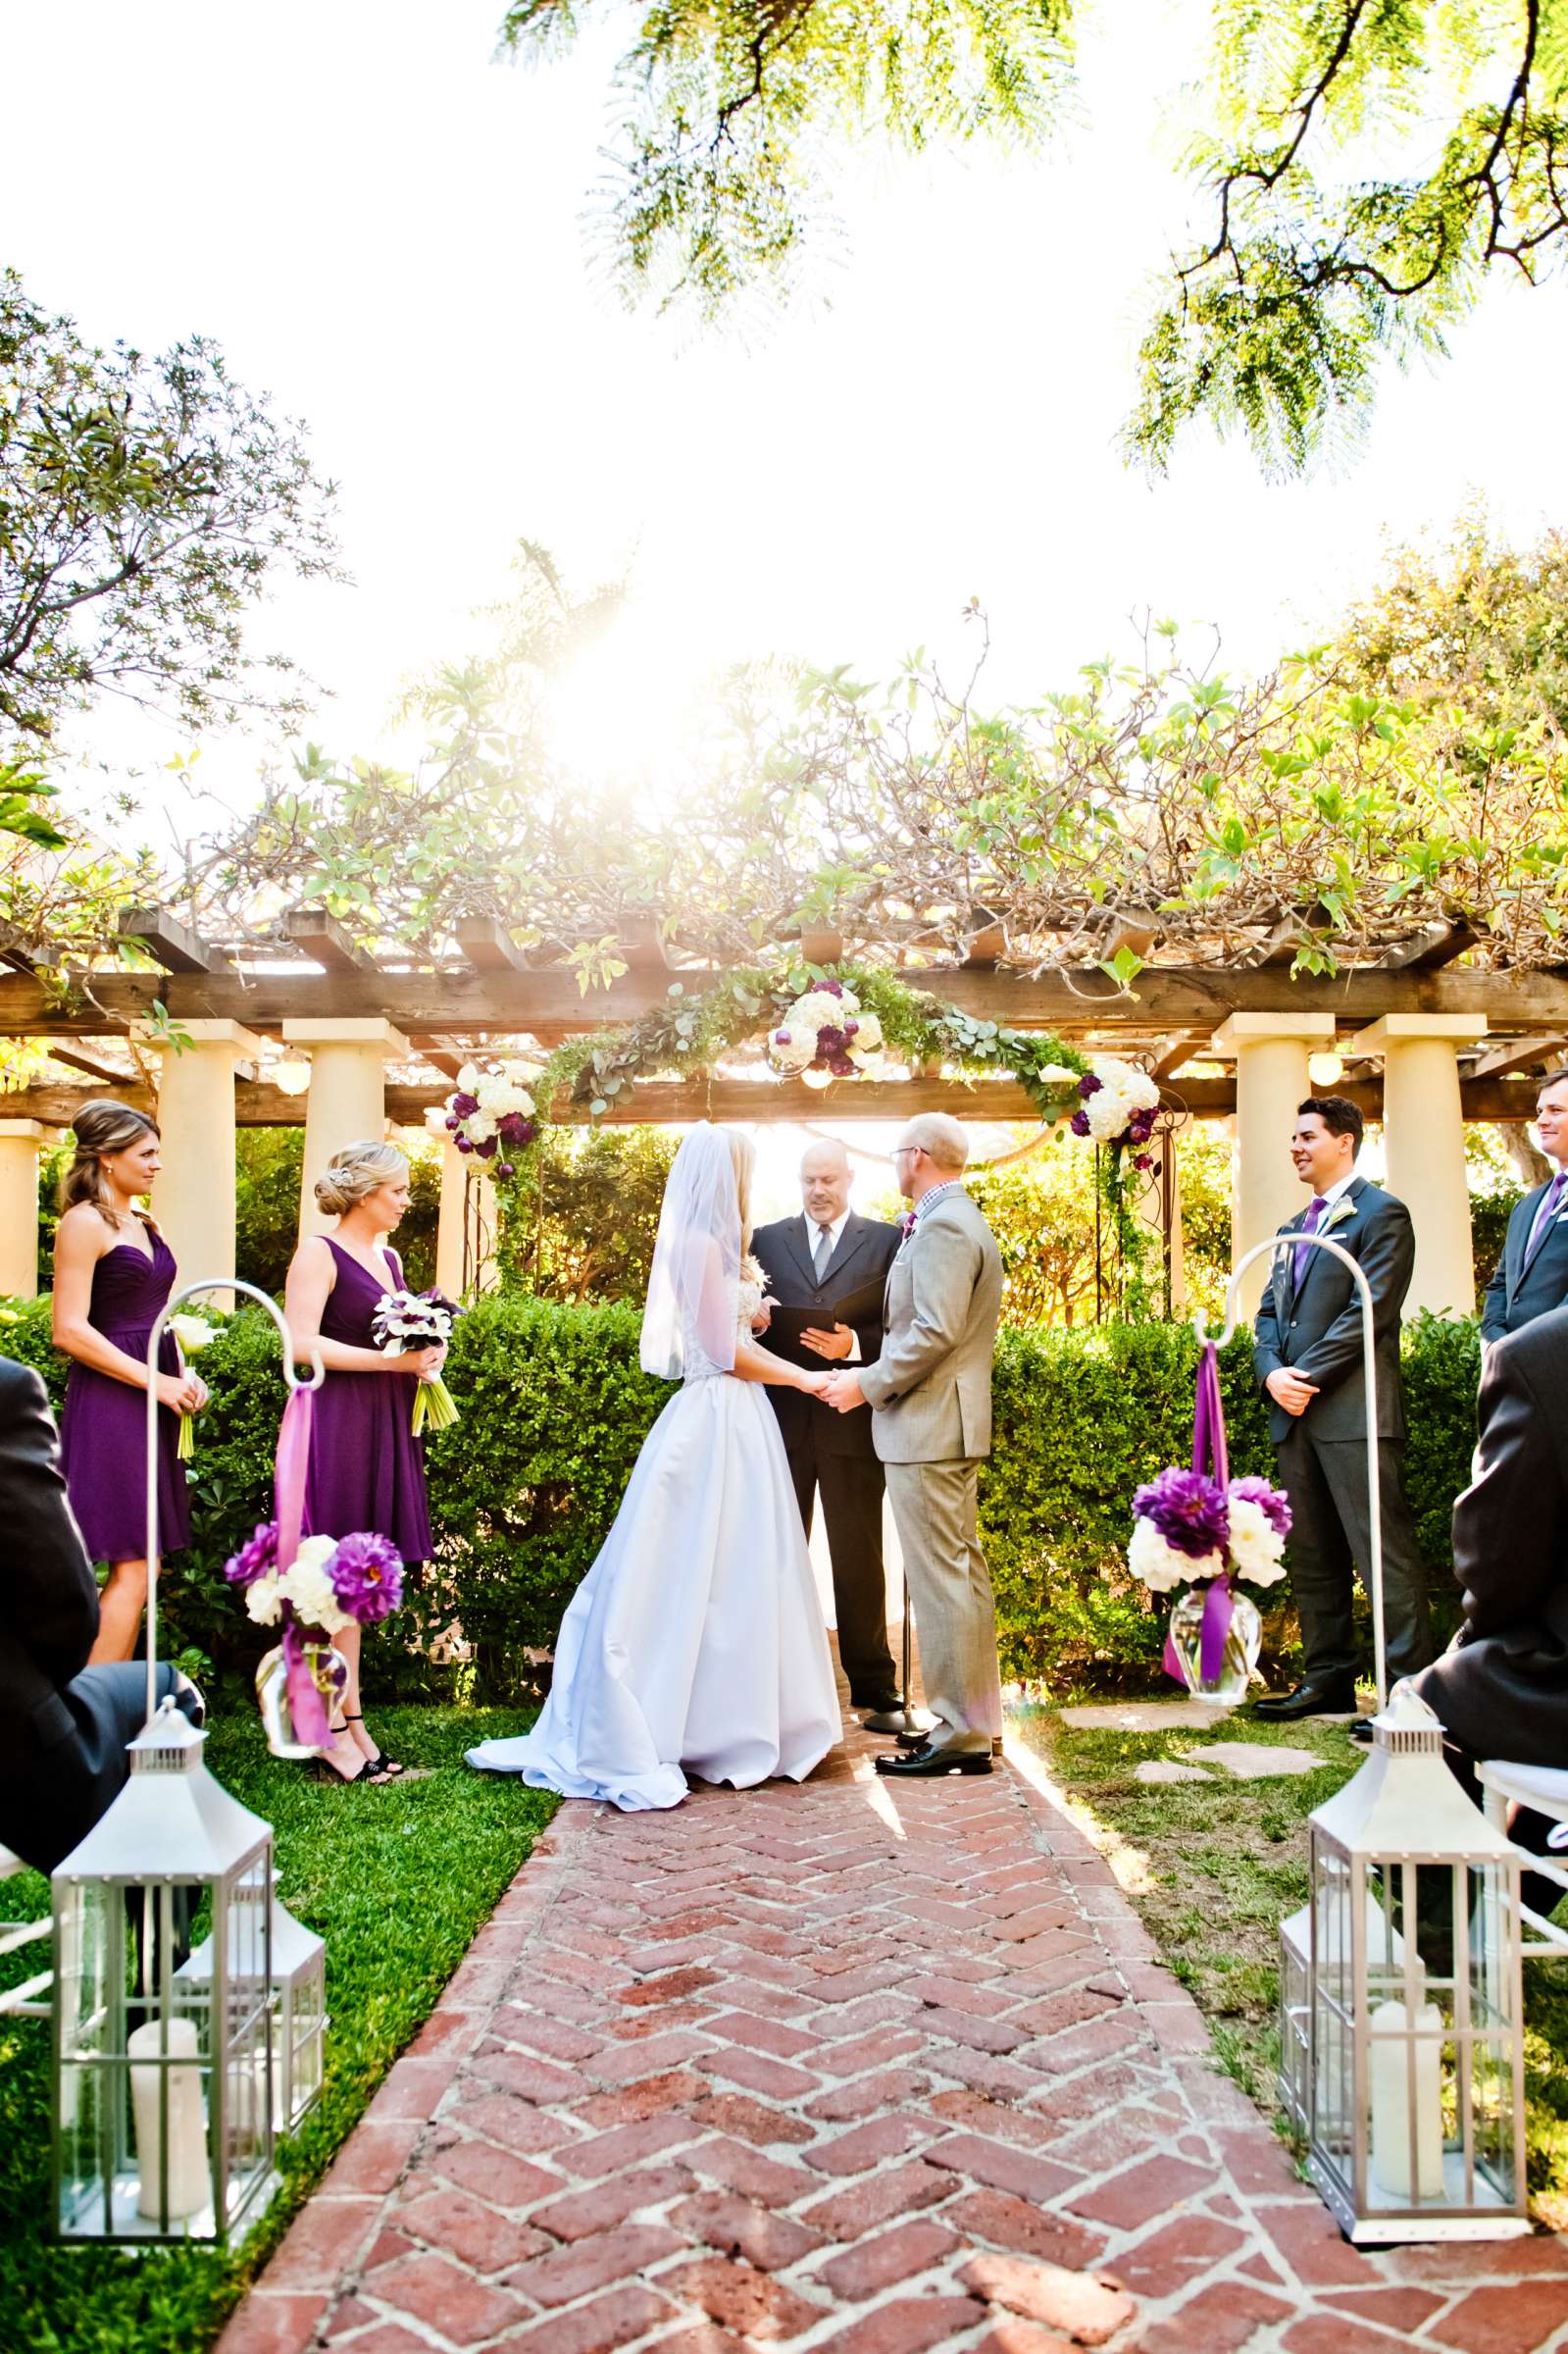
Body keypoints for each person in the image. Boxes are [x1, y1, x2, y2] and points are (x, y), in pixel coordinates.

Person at [465, 1124, 840, 1810]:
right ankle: (684, 1723)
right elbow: (721, 1354)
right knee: (687, 1570)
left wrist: (755, 1317)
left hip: (739, 1420)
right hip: (714, 1418)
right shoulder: (700, 1246)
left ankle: (736, 1719)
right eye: (740, 1172)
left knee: (738, 1570)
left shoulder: (720, 1249)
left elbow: (728, 1332)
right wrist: (805, 1379)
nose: (744, 1185)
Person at [822, 1113, 1004, 1779]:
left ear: (918, 1156)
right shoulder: (953, 1219)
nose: (893, 1164)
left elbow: (931, 1331)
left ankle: (960, 1733)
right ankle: (975, 1724)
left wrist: (864, 1385)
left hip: (928, 1428)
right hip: (939, 1425)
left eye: (897, 1153)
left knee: (942, 1583)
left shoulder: (946, 1226)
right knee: (959, 1578)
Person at [1251, 1096, 1432, 1722]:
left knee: (1382, 1554)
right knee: (1314, 1556)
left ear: (1345, 1141)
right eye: (1293, 1137)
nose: (1295, 1147)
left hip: (1354, 1416)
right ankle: (1327, 1678)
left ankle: (1407, 1694)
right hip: (1294, 1414)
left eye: (1307, 1136)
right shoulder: (1290, 1229)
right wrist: (1273, 1374)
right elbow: (1269, 1315)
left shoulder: (1383, 1215)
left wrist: (1306, 1376)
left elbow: (1372, 1307)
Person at [0, 1355, 203, 1875]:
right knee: (169, 1691)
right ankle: (160, 1950)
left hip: (152, 1394)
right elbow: (64, 1607)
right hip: (13, 1751)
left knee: (143, 1566)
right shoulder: (6, 1389)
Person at [284, 1141, 440, 1786]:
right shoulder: (318, 1253)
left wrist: (425, 1356)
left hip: (385, 1421)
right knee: (334, 1581)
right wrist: (391, 1362)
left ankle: (352, 1724)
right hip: (338, 1426)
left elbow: (393, 1338)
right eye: (398, 1190)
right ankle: (324, 1733)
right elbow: (299, 1343)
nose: (406, 1202)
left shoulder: (390, 1257)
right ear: (366, 1192)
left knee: (362, 1579)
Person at [1409, 1305, 1568, 1920]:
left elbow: (1499, 1565)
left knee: (1425, 1706)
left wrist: (1468, 1642)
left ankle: (1453, 1935)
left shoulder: (1540, 1356)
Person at [751, 1141, 904, 1729]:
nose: (819, 1190)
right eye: (809, 1179)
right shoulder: (765, 1239)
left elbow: (904, 1320)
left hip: (852, 1421)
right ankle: (772, 1678)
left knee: (858, 1555)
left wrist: (855, 1347)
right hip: (780, 1420)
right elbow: (740, 1319)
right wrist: (761, 1317)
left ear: (850, 1179)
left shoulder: (888, 1240)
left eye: (829, 1180)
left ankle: (873, 1682)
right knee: (775, 1552)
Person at [52, 1100, 207, 1664]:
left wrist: (185, 1378)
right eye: (146, 1154)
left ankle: (93, 1709)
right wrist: (157, 1384)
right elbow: (69, 1329)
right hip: (113, 1403)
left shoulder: (145, 1223)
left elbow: (153, 1319)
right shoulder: (83, 1222)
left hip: (155, 1395)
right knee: (135, 1561)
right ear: (108, 1158)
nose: (157, 1164)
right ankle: (91, 1717)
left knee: (147, 1563)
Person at [1480, 1069, 1568, 1346]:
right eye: (1540, 1111)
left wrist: (1535, 1348)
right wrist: (1498, 1341)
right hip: (1516, 1370)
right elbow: (1501, 1285)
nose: (1541, 1121)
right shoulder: (1527, 1206)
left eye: (1556, 1110)